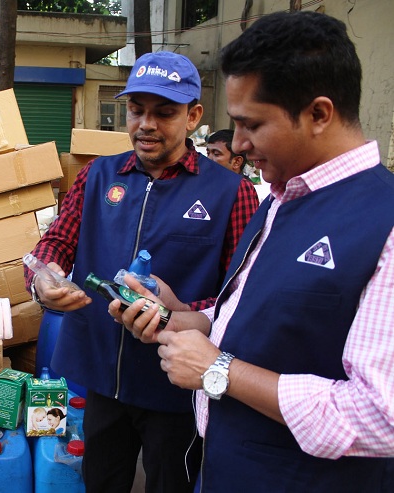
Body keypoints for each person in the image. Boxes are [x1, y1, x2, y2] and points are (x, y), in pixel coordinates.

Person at [113, 11, 394, 492]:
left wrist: (218, 371)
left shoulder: (383, 225)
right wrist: (182, 316)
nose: (237, 144)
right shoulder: (281, 199)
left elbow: (379, 416)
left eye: (251, 125)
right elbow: (262, 316)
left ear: (318, 114)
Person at [25, 50, 258, 492]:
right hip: (100, 376)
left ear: (193, 117)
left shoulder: (232, 192)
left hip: (177, 384)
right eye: (136, 111)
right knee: (101, 481)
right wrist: (44, 278)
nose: (146, 124)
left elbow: (240, 296)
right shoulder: (97, 175)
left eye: (164, 113)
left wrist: (182, 312)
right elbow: (55, 243)